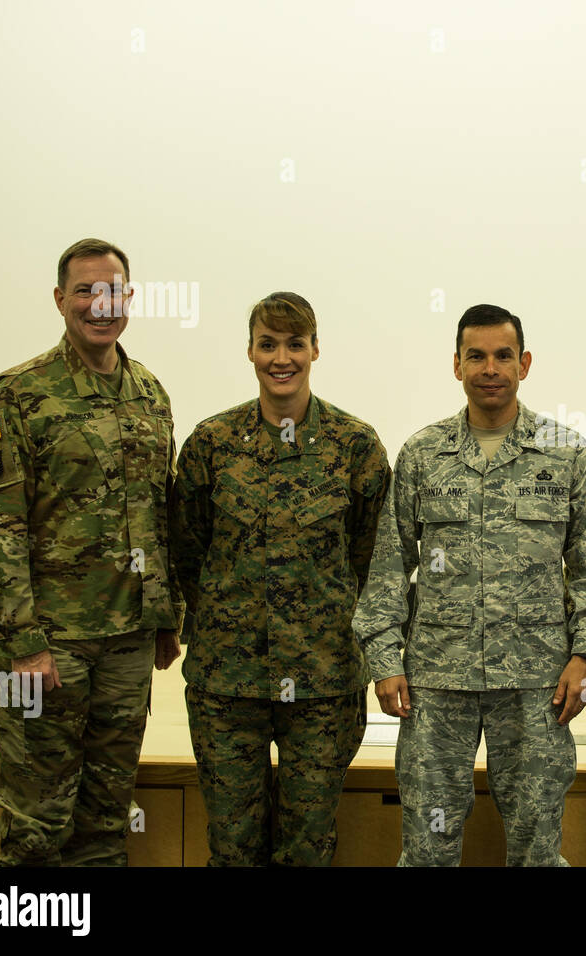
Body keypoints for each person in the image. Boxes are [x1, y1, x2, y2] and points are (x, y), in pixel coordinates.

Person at [353, 303, 586, 866]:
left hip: (537, 685)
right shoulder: (424, 454)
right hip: (435, 684)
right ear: (456, 365)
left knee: (537, 847)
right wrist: (384, 660)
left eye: (503, 355)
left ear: (524, 364)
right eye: (476, 356)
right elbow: (387, 566)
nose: (490, 368)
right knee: (428, 847)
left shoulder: (566, 453)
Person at [0, 238, 184, 866]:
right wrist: (23, 643)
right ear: (60, 300)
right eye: (85, 289)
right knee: (37, 826)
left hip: (125, 644)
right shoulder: (18, 395)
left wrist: (166, 615)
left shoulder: (150, 394)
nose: (99, 303)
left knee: (105, 822)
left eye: (111, 289)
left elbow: (157, 515)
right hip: (46, 647)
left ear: (130, 300)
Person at [170, 292, 392, 865]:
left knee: (307, 850)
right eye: (268, 343)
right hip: (228, 687)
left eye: (295, 343)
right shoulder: (211, 444)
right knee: (233, 850)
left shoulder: (355, 447)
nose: (281, 357)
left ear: (316, 349)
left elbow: (371, 560)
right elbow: (188, 551)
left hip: (322, 686)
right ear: (249, 351)